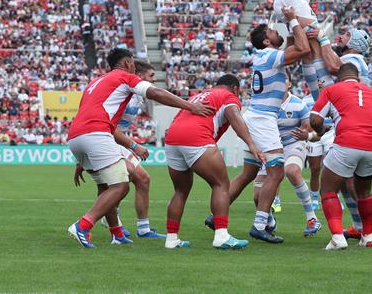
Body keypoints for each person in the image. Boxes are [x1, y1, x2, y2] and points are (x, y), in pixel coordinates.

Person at [66, 48, 213, 249]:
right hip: (98, 134)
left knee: (108, 186)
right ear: (127, 63)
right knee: (120, 186)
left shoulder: (95, 82)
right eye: (133, 63)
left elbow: (87, 113)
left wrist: (81, 159)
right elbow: (157, 93)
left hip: (77, 136)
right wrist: (190, 106)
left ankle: (117, 234)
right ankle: (82, 226)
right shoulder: (125, 77)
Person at [210, 6, 311, 243]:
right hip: (263, 119)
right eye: (272, 31)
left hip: (256, 115)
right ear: (267, 41)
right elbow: (304, 49)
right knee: (276, 172)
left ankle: (215, 216)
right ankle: (259, 225)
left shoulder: (264, 56)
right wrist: (293, 20)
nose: (276, 31)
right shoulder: (268, 55)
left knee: (248, 174)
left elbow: (293, 45)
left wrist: (289, 27)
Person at [163, 74, 265, 249]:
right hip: (196, 138)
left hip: (172, 138)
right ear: (235, 88)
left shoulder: (199, 94)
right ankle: (221, 235)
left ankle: (171, 239)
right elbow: (235, 116)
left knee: (180, 190)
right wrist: (251, 143)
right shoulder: (229, 96)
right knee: (221, 184)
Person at [309, 63, 372, 250]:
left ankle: (337, 237)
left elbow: (315, 119)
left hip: (348, 141)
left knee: (327, 189)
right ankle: (367, 237)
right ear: (358, 78)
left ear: (339, 78)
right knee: (364, 192)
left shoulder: (331, 90)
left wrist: (320, 132)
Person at [253, 76, 322, 236]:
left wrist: (308, 136)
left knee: (291, 171)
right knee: (258, 196)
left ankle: (312, 219)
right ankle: (269, 221)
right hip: (271, 149)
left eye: (283, 80)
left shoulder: (299, 104)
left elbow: (316, 133)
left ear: (290, 83)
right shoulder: (266, 105)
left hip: (293, 145)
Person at [107, 60, 165, 240]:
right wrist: (133, 145)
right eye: (151, 76)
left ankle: (143, 229)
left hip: (120, 141)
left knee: (143, 179)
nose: (154, 80)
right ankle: (114, 221)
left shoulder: (137, 95)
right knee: (121, 179)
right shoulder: (122, 93)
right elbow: (108, 126)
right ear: (139, 77)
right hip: (107, 140)